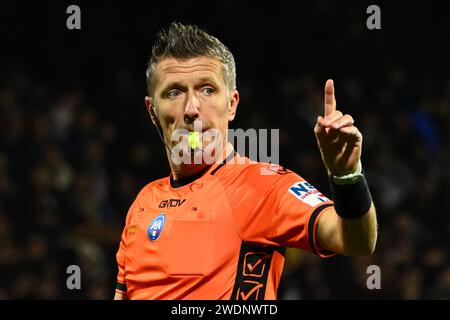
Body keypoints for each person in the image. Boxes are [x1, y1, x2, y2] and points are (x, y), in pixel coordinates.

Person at [114, 22, 377, 300]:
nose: (191, 109)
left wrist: (347, 175)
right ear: (152, 110)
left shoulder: (261, 186)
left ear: (232, 104)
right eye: (174, 92)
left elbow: (357, 240)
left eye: (207, 90)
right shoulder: (143, 204)